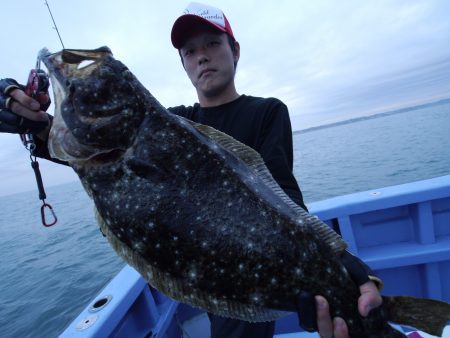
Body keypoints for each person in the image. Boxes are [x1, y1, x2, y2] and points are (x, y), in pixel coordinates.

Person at [0, 2, 382, 337]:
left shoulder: (267, 111)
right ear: (182, 63)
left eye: (212, 44)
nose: (202, 56)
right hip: (204, 267)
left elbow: (282, 192)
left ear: (235, 50)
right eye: (189, 50)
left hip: (258, 263)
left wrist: (338, 265)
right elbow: (67, 144)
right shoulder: (170, 123)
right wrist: (21, 113)